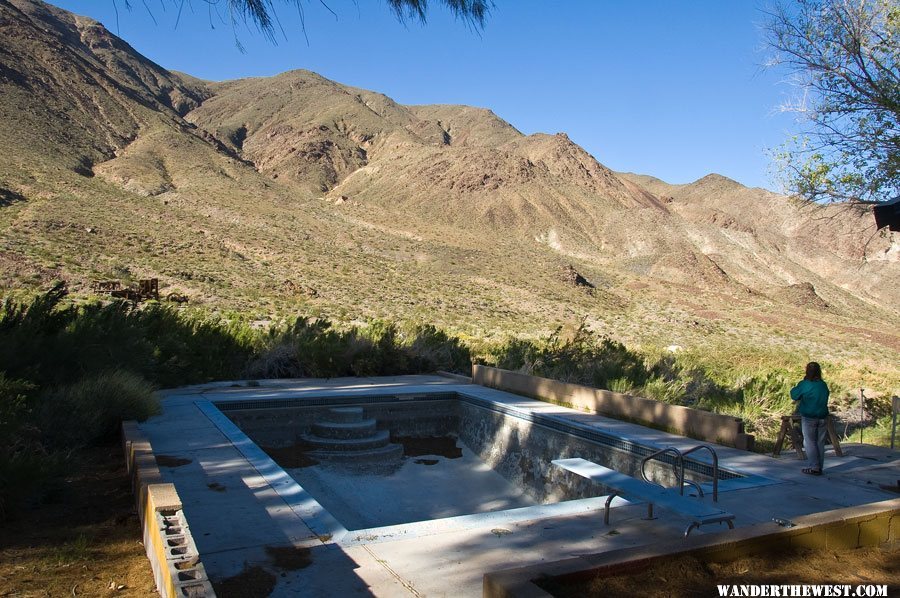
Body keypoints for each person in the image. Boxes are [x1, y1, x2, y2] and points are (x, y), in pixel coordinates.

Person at [790, 362, 830, 475]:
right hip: (823, 416)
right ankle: (819, 466)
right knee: (820, 442)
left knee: (810, 442)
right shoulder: (823, 384)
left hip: (809, 417)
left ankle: (814, 467)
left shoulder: (805, 384)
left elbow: (794, 395)